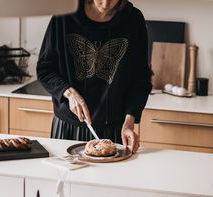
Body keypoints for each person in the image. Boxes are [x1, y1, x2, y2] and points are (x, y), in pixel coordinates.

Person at [37, 0, 151, 153]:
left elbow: (141, 79)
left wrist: (129, 122)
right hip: (69, 127)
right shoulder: (64, 15)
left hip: (114, 130)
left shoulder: (133, 19)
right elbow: (45, 69)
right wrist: (69, 93)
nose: (106, 3)